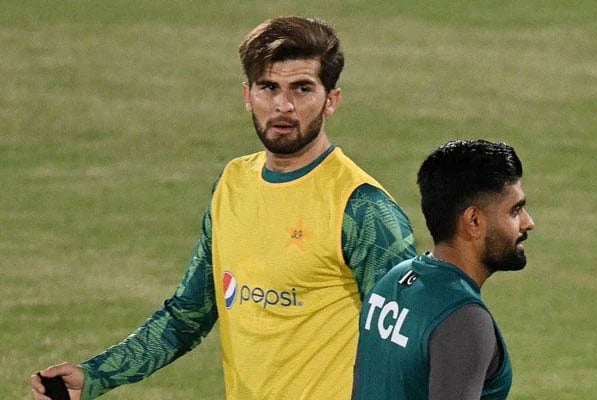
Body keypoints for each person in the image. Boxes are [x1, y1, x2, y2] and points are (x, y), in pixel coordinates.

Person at [30, 16, 416, 400]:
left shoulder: (362, 208)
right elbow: (188, 315)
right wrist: (96, 376)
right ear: (247, 94)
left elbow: (413, 341)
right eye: (269, 87)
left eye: (302, 88)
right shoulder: (234, 183)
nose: (283, 105)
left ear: (331, 99)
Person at [352, 139, 535, 400]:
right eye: (515, 210)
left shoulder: (391, 282)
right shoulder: (463, 318)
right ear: (474, 221)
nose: (528, 223)